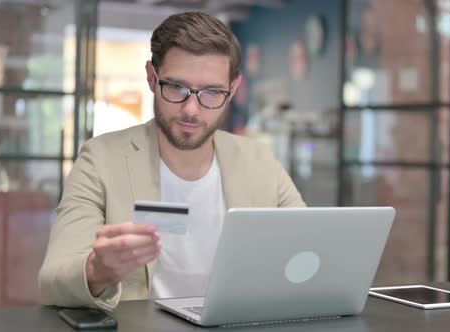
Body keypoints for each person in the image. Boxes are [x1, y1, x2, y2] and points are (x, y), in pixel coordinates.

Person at [38, 12, 305, 311]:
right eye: (177, 87)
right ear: (152, 77)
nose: (191, 109)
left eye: (212, 92)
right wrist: (95, 271)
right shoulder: (100, 159)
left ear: (233, 89)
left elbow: (310, 247)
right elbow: (52, 282)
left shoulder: (258, 160)